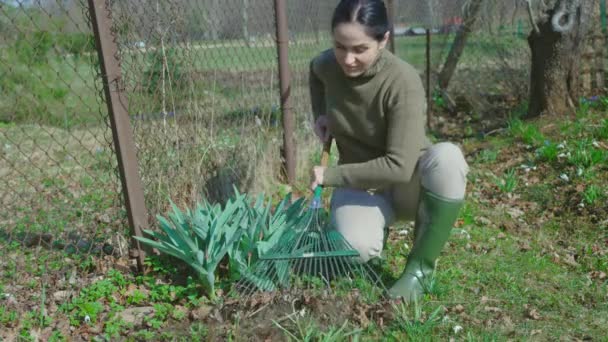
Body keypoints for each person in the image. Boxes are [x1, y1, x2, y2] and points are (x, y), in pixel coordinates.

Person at [308, 0, 469, 302]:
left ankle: (419, 271)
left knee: (448, 159)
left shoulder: (402, 81)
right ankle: (373, 235)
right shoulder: (328, 64)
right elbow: (315, 72)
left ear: (384, 40)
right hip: (361, 186)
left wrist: (331, 175)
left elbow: (398, 166)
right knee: (352, 250)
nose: (348, 58)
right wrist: (321, 113)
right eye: (340, 46)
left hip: (406, 185)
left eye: (360, 49)